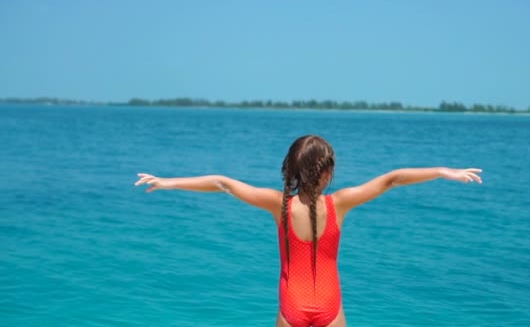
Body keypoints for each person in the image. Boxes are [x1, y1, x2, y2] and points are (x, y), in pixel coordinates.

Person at [135, 135, 482, 327]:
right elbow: (393, 178)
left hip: (291, 308)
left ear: (294, 169)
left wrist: (168, 182)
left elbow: (222, 183)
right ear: (327, 171)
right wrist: (442, 170)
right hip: (331, 307)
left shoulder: (278, 204)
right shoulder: (341, 203)